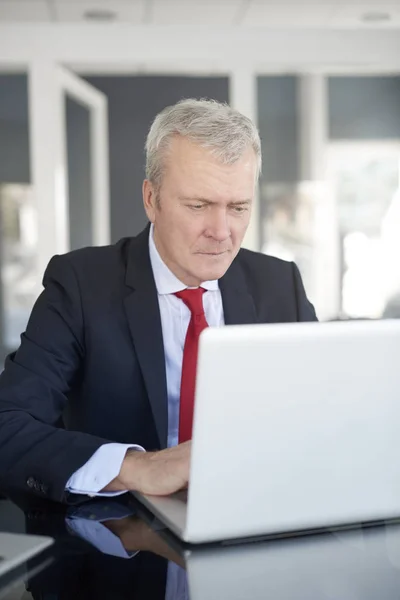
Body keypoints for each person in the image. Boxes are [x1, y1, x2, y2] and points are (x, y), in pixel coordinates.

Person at [0, 99, 317, 505]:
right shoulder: (81, 285)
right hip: (116, 540)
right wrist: (138, 468)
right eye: (198, 206)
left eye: (238, 208)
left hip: (253, 517)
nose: (221, 233)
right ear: (152, 199)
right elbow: (7, 427)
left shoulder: (280, 284)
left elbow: (321, 420)